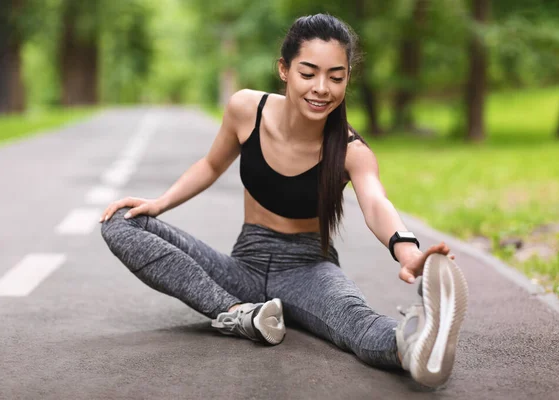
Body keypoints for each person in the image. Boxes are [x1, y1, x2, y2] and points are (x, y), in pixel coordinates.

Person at [99, 13, 468, 388]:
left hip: (308, 270)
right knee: (121, 222)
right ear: (284, 70)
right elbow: (211, 165)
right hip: (243, 268)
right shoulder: (246, 110)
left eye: (336, 77)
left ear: (347, 80)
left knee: (354, 322)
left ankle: (415, 343)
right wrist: (160, 203)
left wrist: (408, 252)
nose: (322, 88)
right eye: (308, 73)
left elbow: (375, 203)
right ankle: (238, 313)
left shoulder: (352, 151)